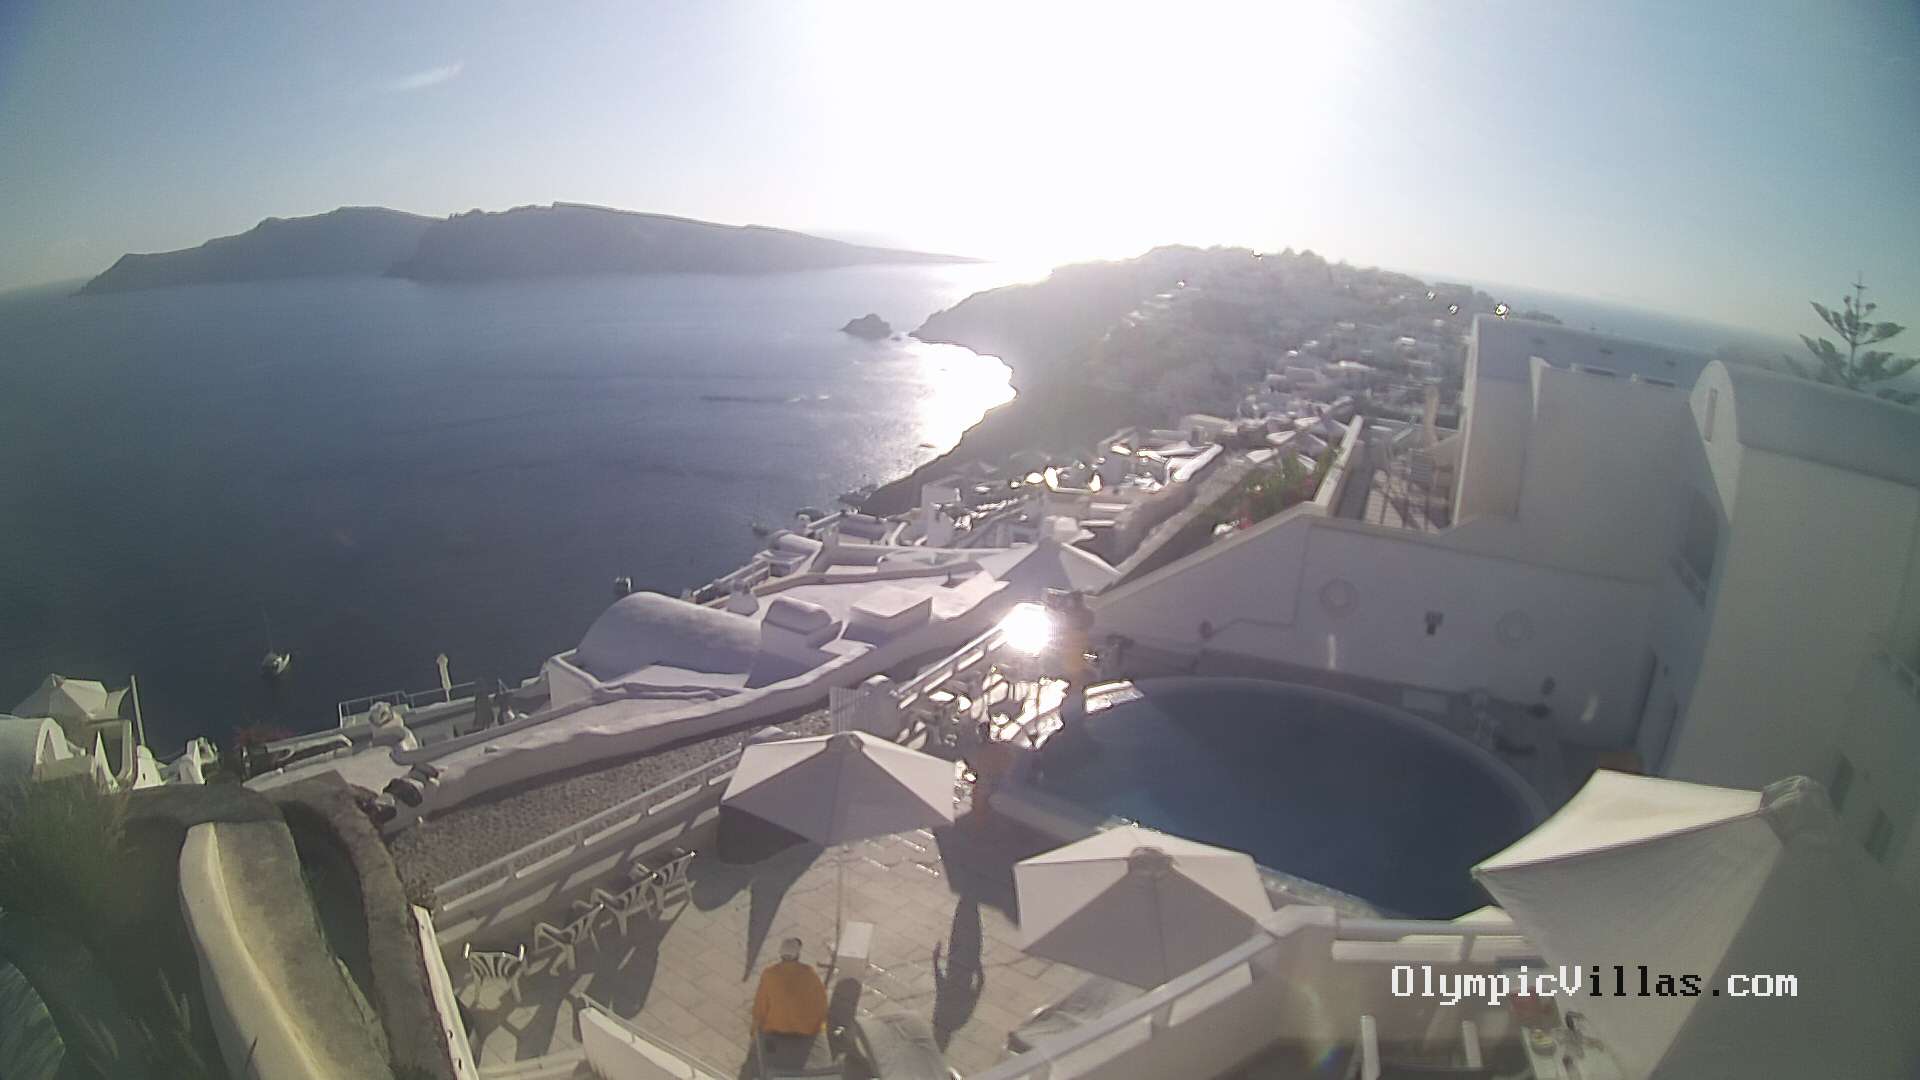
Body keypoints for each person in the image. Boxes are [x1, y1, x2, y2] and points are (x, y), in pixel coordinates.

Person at [752, 937, 828, 1068]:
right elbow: (821, 1002)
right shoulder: (808, 973)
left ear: (781, 954)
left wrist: (756, 1027)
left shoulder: (770, 974)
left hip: (777, 1025)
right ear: (797, 955)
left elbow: (761, 1004)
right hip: (804, 1028)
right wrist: (818, 1025)